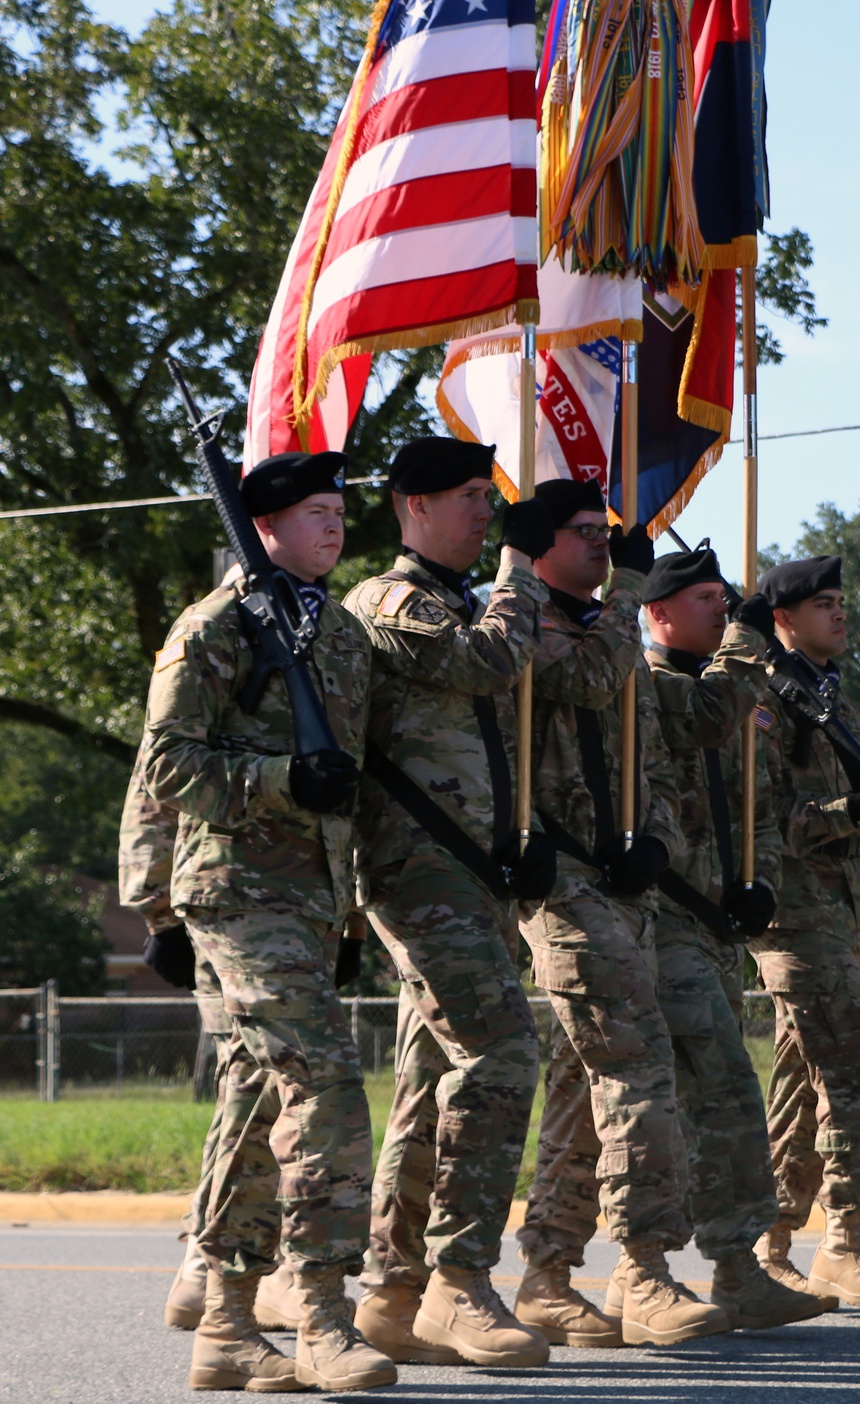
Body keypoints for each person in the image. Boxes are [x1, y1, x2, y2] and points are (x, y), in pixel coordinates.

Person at [142, 450, 396, 1392]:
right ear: (266, 526)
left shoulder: (338, 632)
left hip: (313, 898)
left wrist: (354, 910)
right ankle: (324, 1313)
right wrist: (279, 781)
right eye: (316, 512)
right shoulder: (217, 626)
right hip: (237, 890)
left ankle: (224, 1325)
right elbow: (166, 766)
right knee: (325, 1084)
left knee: (257, 1097)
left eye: (340, 512)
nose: (335, 527)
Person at [343, 437, 555, 1370]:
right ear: (411, 506)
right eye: (470, 496)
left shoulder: (462, 602)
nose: (485, 512)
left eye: (489, 495)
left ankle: (394, 1293)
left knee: (435, 1083)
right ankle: (462, 1280)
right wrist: (521, 570)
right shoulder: (390, 602)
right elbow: (488, 664)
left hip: (477, 872)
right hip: (421, 875)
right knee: (504, 1051)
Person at [512, 481, 732, 1350]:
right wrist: (631, 594)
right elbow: (595, 678)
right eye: (583, 532)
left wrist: (658, 843)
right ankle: (643, 1270)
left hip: (626, 887)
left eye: (607, 531)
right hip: (561, 883)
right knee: (637, 1063)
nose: (604, 544)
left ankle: (547, 1271)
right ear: (539, 545)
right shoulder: (528, 627)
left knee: (579, 1087)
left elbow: (655, 763)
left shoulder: (613, 636)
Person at [634, 547, 825, 1328]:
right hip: (663, 916)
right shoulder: (644, 686)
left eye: (727, 598)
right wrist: (750, 642)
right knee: (719, 1087)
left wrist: (762, 881)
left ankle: (724, 1271)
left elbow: (760, 805)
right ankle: (700, 1264)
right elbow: (707, 718)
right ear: (657, 612)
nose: (723, 610)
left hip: (718, 922)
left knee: (708, 1092)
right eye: (706, 599)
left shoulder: (737, 692)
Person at [750, 555, 860, 1308]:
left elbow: (849, 841)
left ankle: (771, 1242)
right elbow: (760, 820)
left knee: (798, 1085)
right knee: (858, 1069)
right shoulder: (768, 696)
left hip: (832, 920)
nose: (840, 614)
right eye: (823, 604)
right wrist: (853, 811)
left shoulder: (827, 697)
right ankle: (844, 1243)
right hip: (791, 916)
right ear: (782, 619)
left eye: (843, 601)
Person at [118, 747, 315, 1338]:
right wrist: (157, 915)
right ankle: (208, 1265)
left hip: (300, 901)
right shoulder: (221, 658)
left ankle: (220, 1268)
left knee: (264, 1083)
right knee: (254, 1079)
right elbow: (154, 789)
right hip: (220, 900)